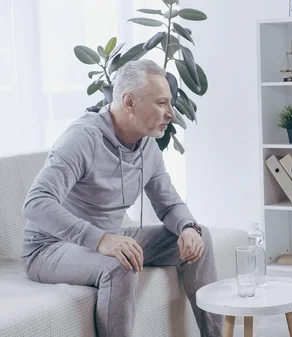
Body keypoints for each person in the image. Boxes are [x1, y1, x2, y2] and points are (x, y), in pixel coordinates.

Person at [21, 59, 222, 337]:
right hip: (51, 248)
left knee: (200, 238)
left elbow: (169, 203)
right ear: (129, 102)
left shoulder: (147, 144)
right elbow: (36, 203)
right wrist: (102, 240)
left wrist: (188, 227)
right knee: (122, 262)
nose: (171, 114)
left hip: (111, 236)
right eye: (161, 103)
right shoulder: (83, 139)